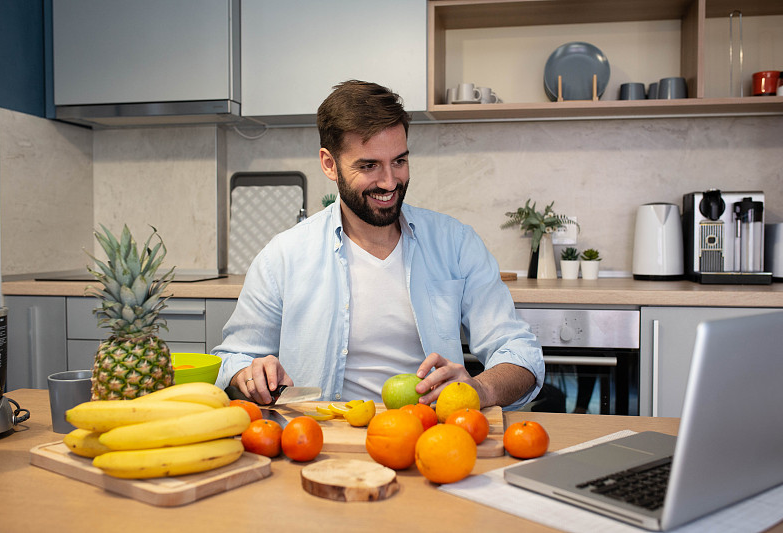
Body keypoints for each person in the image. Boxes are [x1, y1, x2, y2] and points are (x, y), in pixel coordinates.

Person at [213, 80, 544, 410]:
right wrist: (249, 373)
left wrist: (480, 390)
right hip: (320, 443)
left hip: (431, 440)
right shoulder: (283, 256)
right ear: (329, 163)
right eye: (369, 165)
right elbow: (232, 358)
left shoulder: (455, 243)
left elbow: (520, 353)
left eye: (399, 161)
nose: (389, 182)